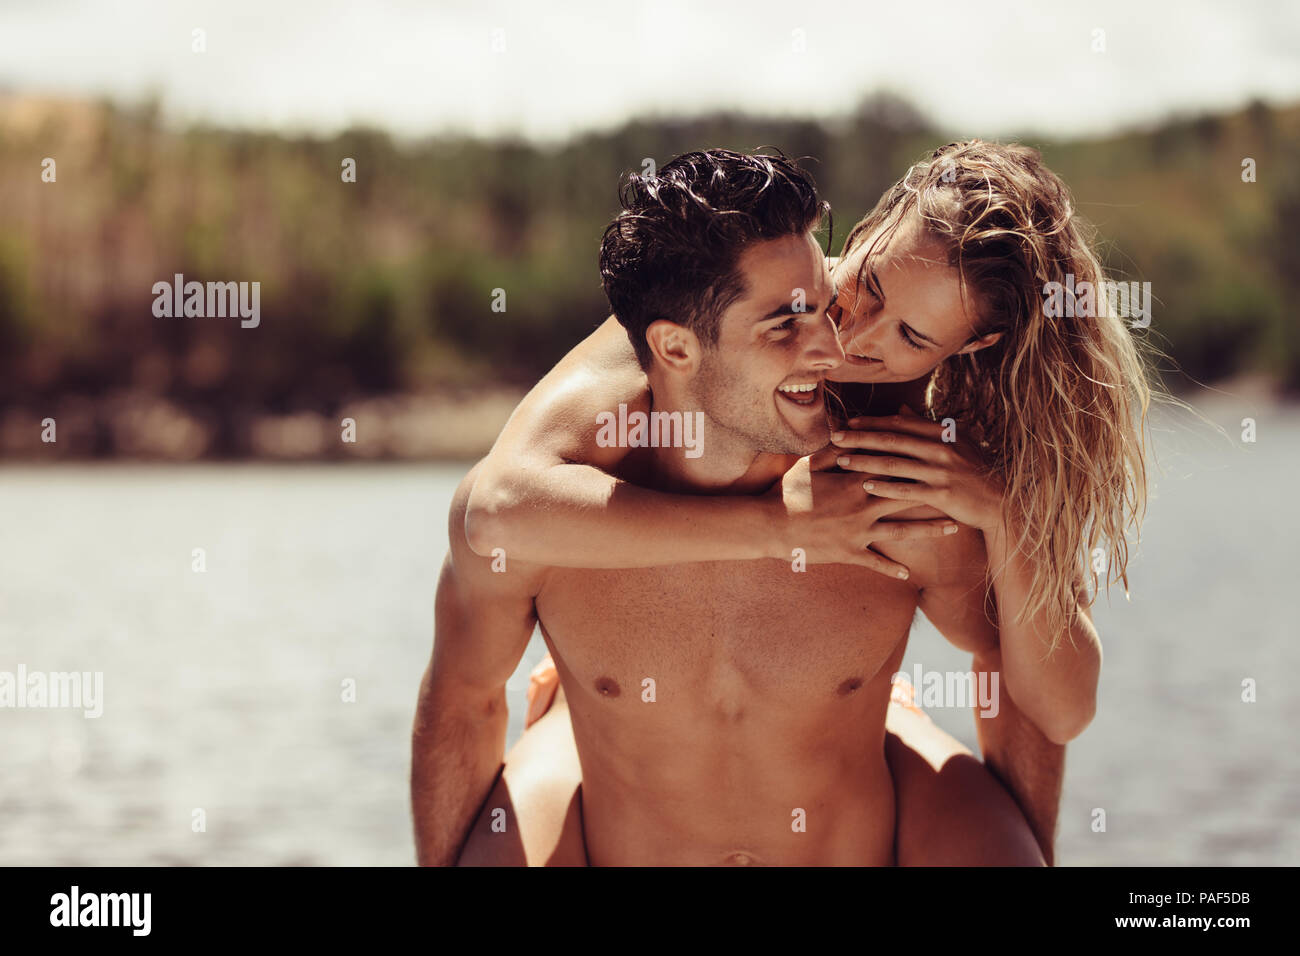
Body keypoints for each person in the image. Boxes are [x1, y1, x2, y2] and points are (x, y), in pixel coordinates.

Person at [413, 144, 1148, 865]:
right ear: (866, 232)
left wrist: (1006, 516)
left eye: (911, 336)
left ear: (967, 345)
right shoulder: (692, 320)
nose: (845, 340)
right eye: (868, 290)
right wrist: (779, 528)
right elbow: (494, 515)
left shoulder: (927, 462)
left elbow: (1045, 698)